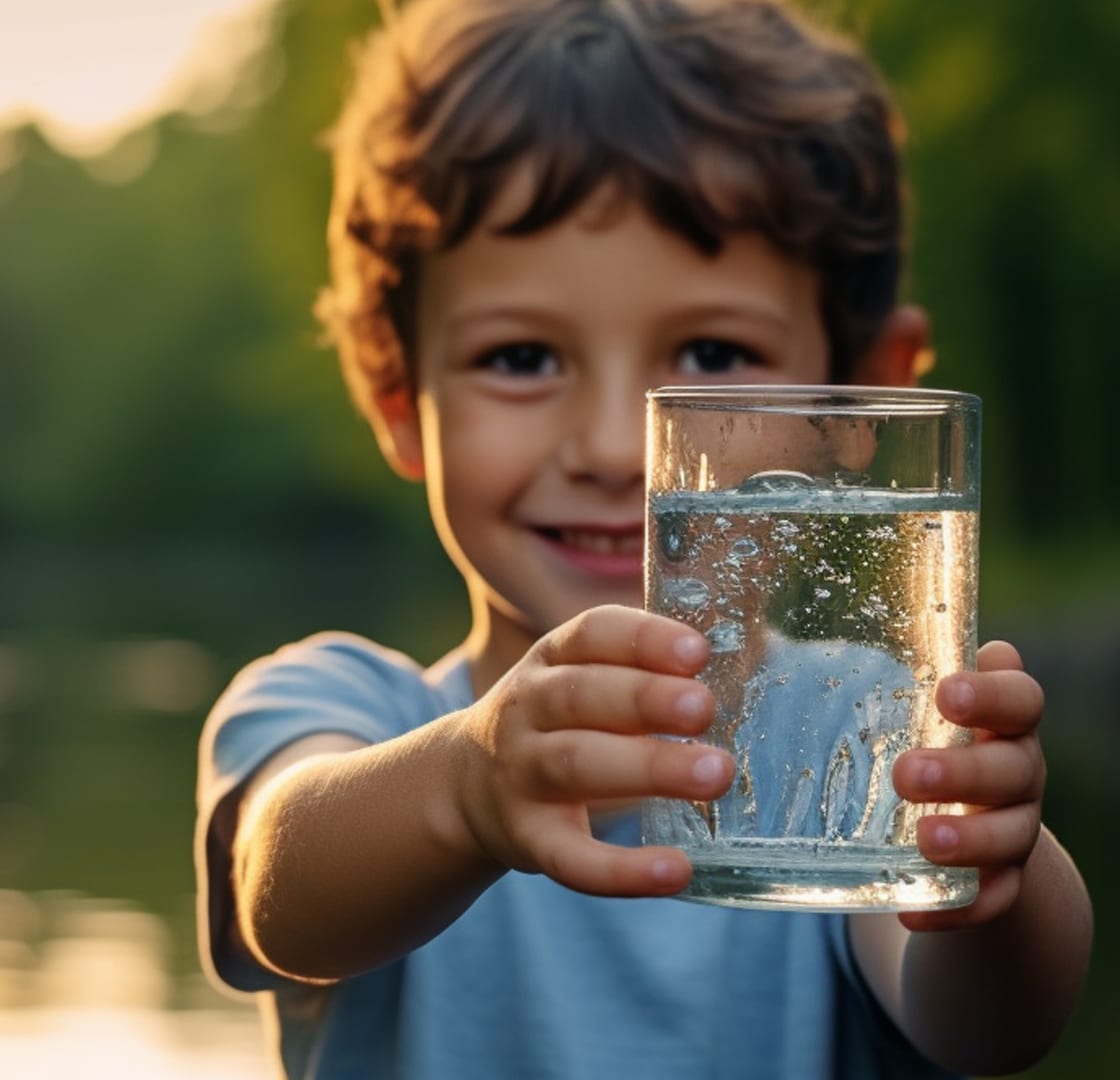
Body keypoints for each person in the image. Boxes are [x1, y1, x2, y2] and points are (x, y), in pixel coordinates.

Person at [192, 1, 1094, 1077]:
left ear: (863, 403)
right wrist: (465, 788)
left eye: (713, 353)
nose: (620, 447)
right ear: (397, 396)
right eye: (522, 357)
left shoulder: (860, 727)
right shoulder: (342, 710)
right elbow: (279, 892)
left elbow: (987, 1028)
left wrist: (992, 882)